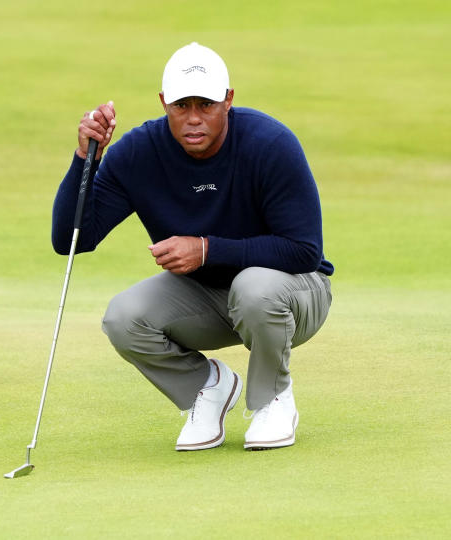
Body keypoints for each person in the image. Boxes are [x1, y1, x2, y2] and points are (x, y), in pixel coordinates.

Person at [52, 42, 333, 451]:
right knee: (124, 317)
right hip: (210, 296)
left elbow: (304, 251)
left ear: (229, 100)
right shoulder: (139, 152)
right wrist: (85, 158)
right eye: (182, 106)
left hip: (295, 293)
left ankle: (272, 398)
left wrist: (206, 249)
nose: (194, 119)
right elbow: (71, 239)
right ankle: (208, 388)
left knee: (254, 288)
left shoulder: (269, 143)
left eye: (207, 104)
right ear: (164, 102)